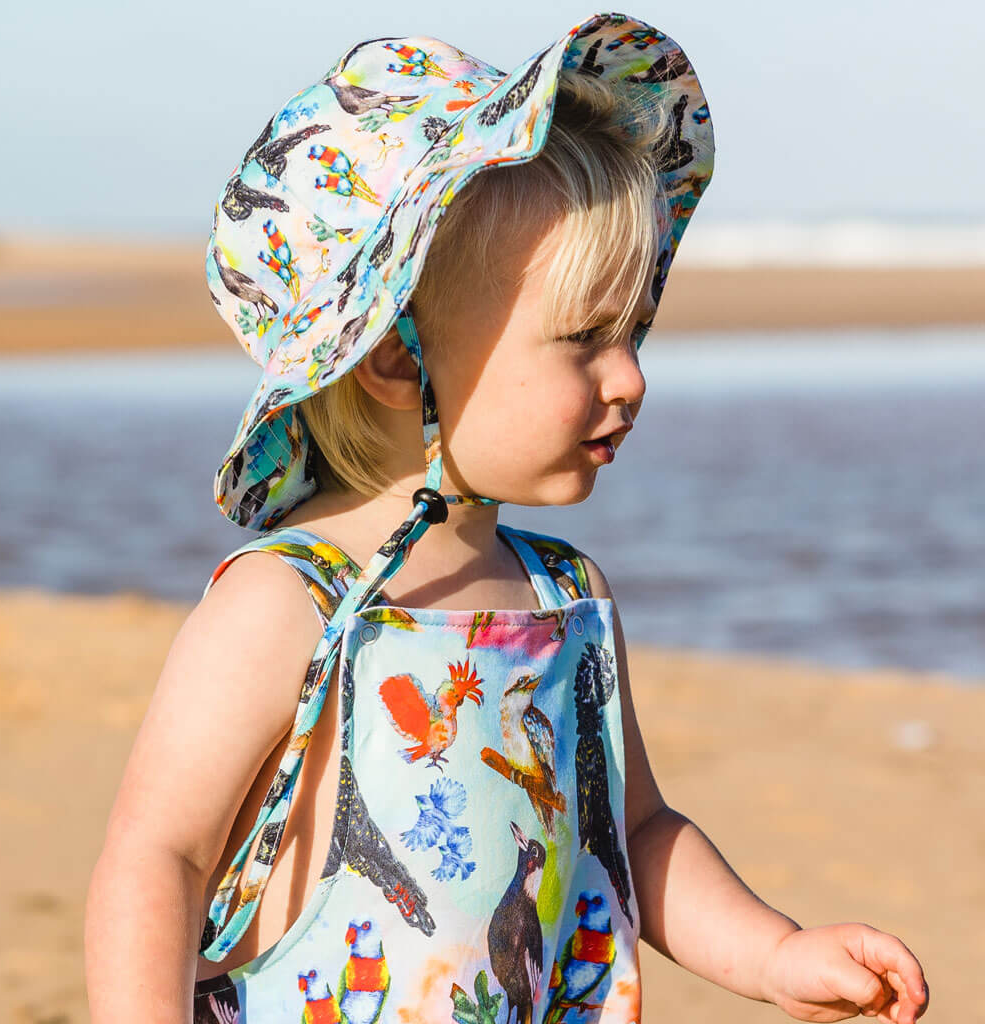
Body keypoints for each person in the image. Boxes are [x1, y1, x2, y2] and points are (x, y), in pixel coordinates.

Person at [85, 13, 929, 1024]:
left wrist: (774, 951)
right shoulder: (289, 605)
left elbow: (636, 830)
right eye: (583, 339)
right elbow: (157, 858)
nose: (629, 378)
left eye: (632, 333)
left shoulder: (565, 594)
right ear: (400, 360)